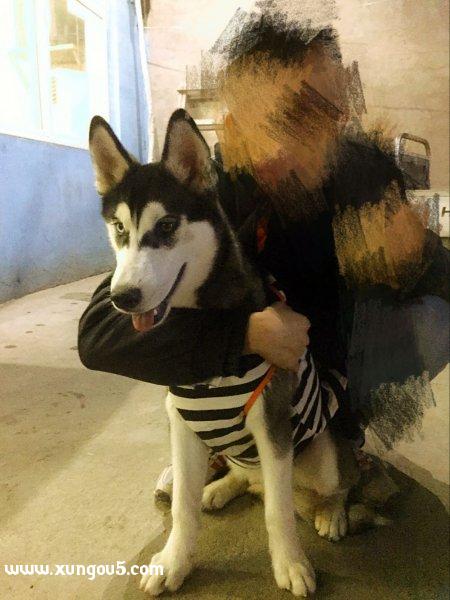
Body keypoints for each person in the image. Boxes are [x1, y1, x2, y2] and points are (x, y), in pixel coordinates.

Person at [78, 14, 449, 497]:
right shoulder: (206, 192)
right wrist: (244, 335)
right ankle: (223, 442)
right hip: (248, 359)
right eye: (267, 118)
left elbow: (441, 281)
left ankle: (340, 433)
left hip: (328, 361)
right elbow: (98, 337)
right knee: (171, 318)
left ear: (337, 120)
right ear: (236, 123)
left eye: (309, 117)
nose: (281, 144)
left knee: (433, 321)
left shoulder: (367, 178)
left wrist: (415, 254)